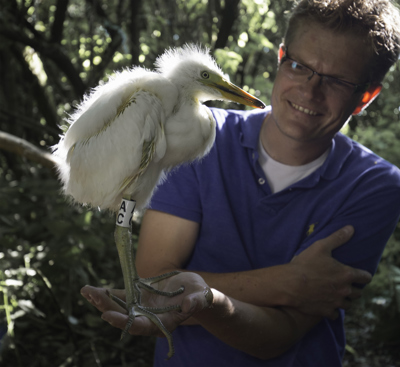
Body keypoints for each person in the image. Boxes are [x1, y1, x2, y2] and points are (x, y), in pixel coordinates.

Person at [81, 0, 400, 366]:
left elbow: (276, 337)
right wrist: (287, 282)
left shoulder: (375, 185)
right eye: (299, 66)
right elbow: (154, 278)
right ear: (281, 58)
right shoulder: (193, 133)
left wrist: (197, 291)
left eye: (338, 81)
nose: (310, 92)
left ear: (366, 96)